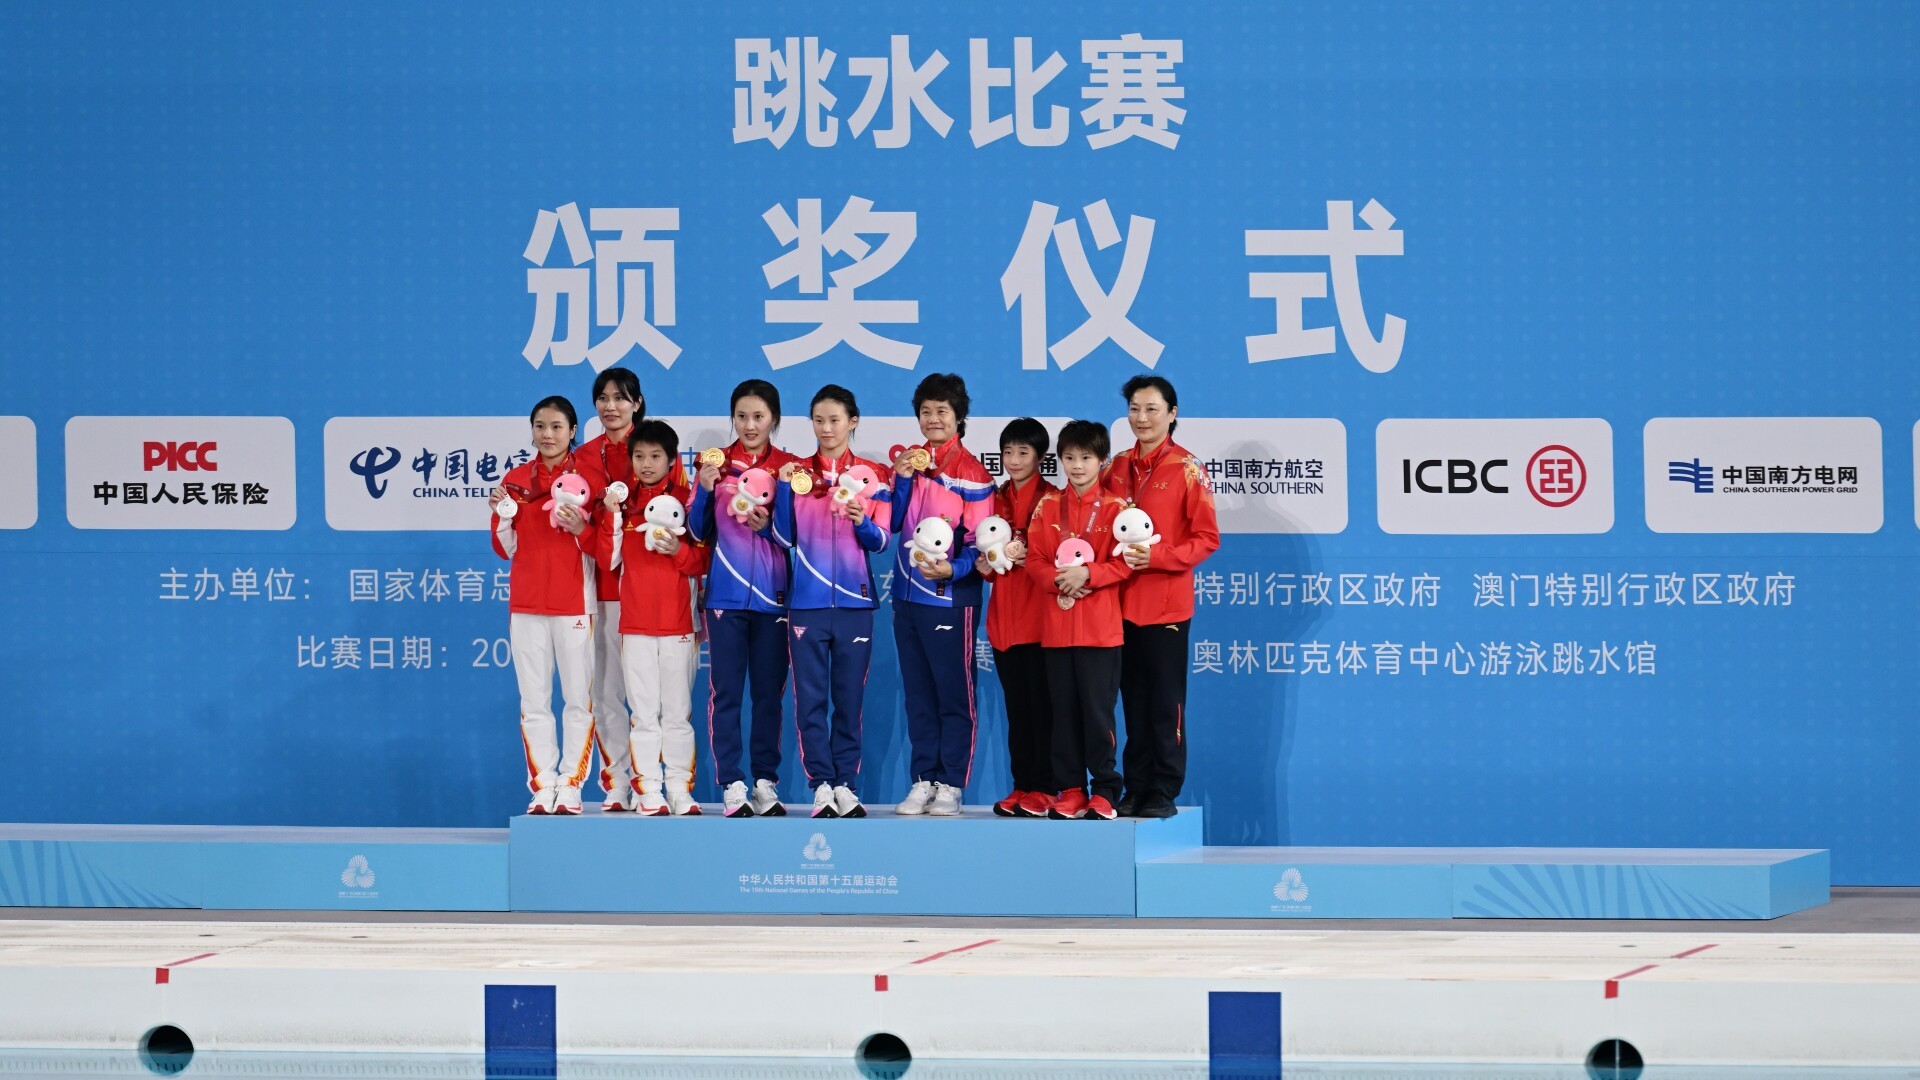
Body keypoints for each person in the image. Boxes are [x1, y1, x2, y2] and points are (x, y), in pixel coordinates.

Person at [770, 385, 893, 819]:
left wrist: (861, 521)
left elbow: (881, 541)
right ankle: (821, 784)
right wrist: (784, 491)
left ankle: (847, 784)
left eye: (835, 420)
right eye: (819, 420)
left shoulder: (874, 476)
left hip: (856, 604)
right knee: (811, 699)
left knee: (849, 700)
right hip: (806, 603)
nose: (826, 428)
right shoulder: (796, 474)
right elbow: (782, 537)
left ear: (853, 422)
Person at [1102, 375, 1220, 818]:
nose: (1141, 418)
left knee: (1164, 700)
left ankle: (1164, 788)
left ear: (1172, 413)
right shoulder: (1114, 466)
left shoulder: (1187, 468)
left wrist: (1158, 557)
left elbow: (1206, 538)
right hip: (1116, 604)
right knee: (1130, 701)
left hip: (1166, 605)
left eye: (1152, 409)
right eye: (1134, 408)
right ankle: (1134, 786)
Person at [689, 379, 801, 818]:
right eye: (741, 416)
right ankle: (731, 782)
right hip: (725, 599)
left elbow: (793, 537)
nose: (750, 425)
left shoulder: (791, 469)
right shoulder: (714, 465)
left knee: (769, 695)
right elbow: (697, 533)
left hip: (774, 600)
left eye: (758, 416)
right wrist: (702, 487)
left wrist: (767, 527)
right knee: (727, 692)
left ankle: (764, 782)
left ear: (774, 418)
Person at [889, 373, 995, 817]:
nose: (933, 419)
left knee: (954, 694)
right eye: (926, 411)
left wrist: (955, 568)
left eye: (942, 412)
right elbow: (894, 523)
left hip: (950, 599)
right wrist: (900, 481)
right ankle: (923, 779)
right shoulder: (909, 464)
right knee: (918, 695)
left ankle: (951, 783)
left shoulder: (972, 474)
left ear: (959, 417)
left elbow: (984, 543)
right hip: (906, 598)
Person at [488, 395, 598, 816]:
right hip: (527, 606)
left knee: (576, 700)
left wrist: (582, 525)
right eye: (540, 426)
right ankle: (543, 784)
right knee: (533, 701)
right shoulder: (515, 479)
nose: (547, 434)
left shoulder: (590, 479)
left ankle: (571, 783)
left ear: (573, 431)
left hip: (574, 604)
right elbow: (504, 548)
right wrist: (502, 516)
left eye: (556, 426)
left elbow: (603, 546)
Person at [593, 420, 706, 816]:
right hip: (635, 627)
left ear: (672, 460)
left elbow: (701, 562)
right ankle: (648, 789)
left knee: (677, 712)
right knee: (643, 715)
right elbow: (608, 561)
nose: (646, 463)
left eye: (655, 456)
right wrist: (610, 517)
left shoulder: (689, 503)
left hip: (679, 626)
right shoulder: (622, 506)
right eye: (639, 456)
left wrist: (677, 548)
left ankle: (679, 787)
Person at [1026, 420, 1133, 820]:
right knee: (1063, 713)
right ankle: (1070, 788)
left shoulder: (1118, 509)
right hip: (1056, 629)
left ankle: (1105, 788)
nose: (1077, 466)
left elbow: (1127, 561)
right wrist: (1059, 582)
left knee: (1097, 711)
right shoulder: (1049, 506)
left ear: (1102, 461)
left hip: (1101, 631)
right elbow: (1034, 560)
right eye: (1069, 458)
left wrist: (1090, 574)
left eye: (1086, 457)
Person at [574, 367, 659, 811]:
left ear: (637, 403)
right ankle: (618, 782)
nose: (611, 406)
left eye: (621, 398)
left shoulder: (657, 447)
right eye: (603, 398)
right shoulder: (581, 456)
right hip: (601, 587)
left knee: (651, 698)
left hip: (652, 592)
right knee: (607, 693)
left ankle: (653, 782)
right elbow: (573, 523)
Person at [977, 418, 1058, 818]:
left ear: (1041, 457)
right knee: (1018, 711)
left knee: (1043, 710)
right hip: (1004, 622)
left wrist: (1035, 553)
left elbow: (1066, 556)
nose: (1013, 459)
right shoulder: (994, 499)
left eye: (1023, 452)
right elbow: (986, 561)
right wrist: (984, 561)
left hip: (1042, 622)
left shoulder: (1055, 500)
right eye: (1008, 451)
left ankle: (1047, 787)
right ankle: (1023, 784)